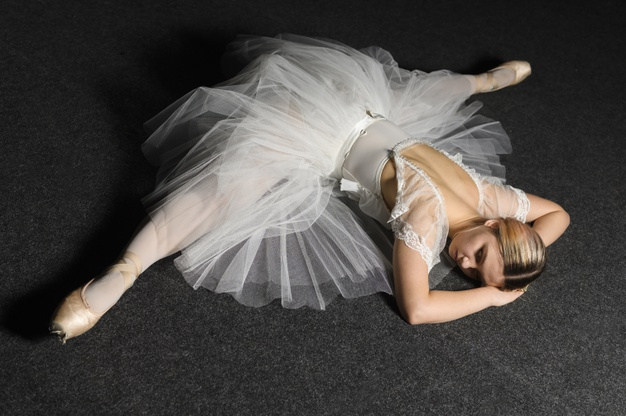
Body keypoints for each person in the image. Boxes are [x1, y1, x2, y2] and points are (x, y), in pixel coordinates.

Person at [50, 34, 569, 342]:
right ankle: (124, 269)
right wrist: (491, 299)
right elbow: (417, 309)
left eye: (473, 271)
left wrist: (508, 266)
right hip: (309, 129)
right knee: (220, 195)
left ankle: (482, 81)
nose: (464, 264)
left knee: (418, 91)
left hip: (359, 103)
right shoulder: (424, 223)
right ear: (500, 227)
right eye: (480, 255)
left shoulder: (496, 200)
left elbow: (557, 217)